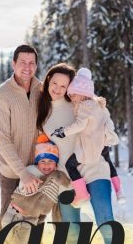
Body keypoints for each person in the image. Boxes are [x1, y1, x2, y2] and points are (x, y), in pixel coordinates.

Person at [37, 64, 120, 244]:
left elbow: (104, 119)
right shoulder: (42, 112)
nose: (57, 89)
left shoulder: (80, 103)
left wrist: (107, 136)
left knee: (105, 218)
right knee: (71, 228)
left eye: (64, 86)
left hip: (94, 166)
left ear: (71, 88)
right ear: (47, 81)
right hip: (66, 175)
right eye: (54, 83)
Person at [0, 133, 72, 244]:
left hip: (31, 216)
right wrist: (31, 185)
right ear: (37, 162)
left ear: (56, 163)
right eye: (42, 161)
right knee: (6, 230)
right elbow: (24, 188)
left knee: (21, 241)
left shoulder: (57, 177)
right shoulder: (32, 171)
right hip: (14, 208)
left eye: (50, 161)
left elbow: (68, 186)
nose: (46, 165)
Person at [0, 44, 44, 240]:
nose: (27, 67)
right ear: (13, 64)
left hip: (38, 170)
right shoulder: (2, 95)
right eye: (22, 62)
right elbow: (3, 140)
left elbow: (69, 99)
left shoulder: (42, 90)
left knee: (36, 220)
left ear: (36, 66)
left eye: (31, 63)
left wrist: (95, 102)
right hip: (12, 173)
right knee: (7, 220)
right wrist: (23, 174)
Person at [51, 67, 124, 206]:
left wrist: (63, 132)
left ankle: (82, 193)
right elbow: (108, 120)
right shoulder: (98, 104)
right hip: (102, 143)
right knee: (109, 164)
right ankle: (119, 191)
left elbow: (80, 125)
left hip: (90, 145)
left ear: (82, 94)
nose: (71, 97)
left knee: (70, 165)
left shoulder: (85, 106)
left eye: (73, 94)